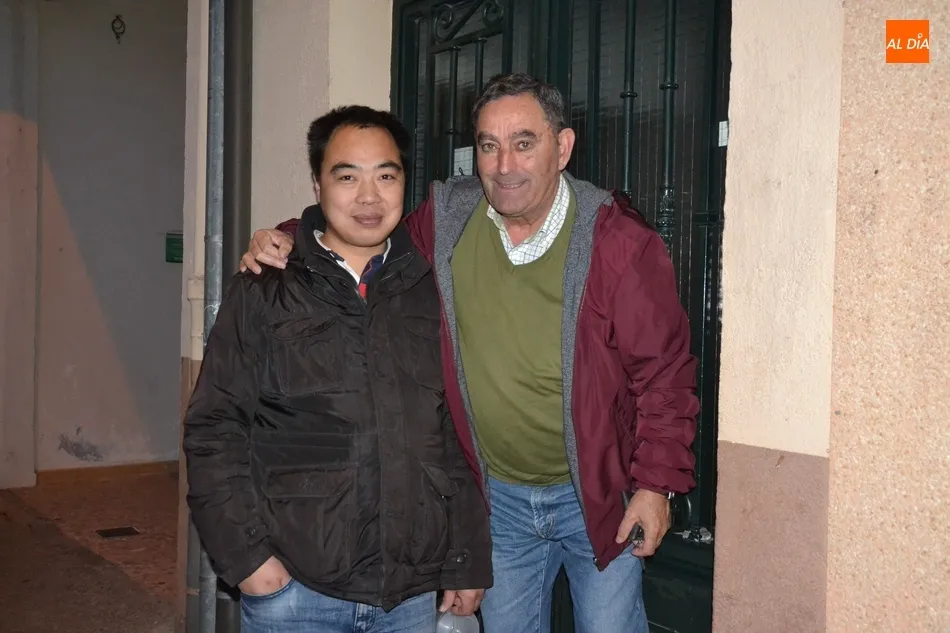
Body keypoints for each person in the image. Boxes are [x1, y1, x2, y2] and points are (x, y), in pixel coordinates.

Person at [242, 74, 699, 633]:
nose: (504, 165)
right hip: (497, 500)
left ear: (562, 147)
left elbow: (665, 375)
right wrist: (292, 235)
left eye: (524, 143)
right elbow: (368, 234)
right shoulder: (449, 218)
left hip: (598, 499)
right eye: (488, 145)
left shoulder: (618, 242)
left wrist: (654, 485)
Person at [183, 105, 491, 633]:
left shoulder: (428, 290)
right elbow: (214, 428)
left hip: (410, 598)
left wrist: (464, 559)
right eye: (347, 177)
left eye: (386, 176)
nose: (369, 197)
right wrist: (249, 561)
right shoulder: (265, 289)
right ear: (318, 185)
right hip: (296, 593)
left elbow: (448, 431)